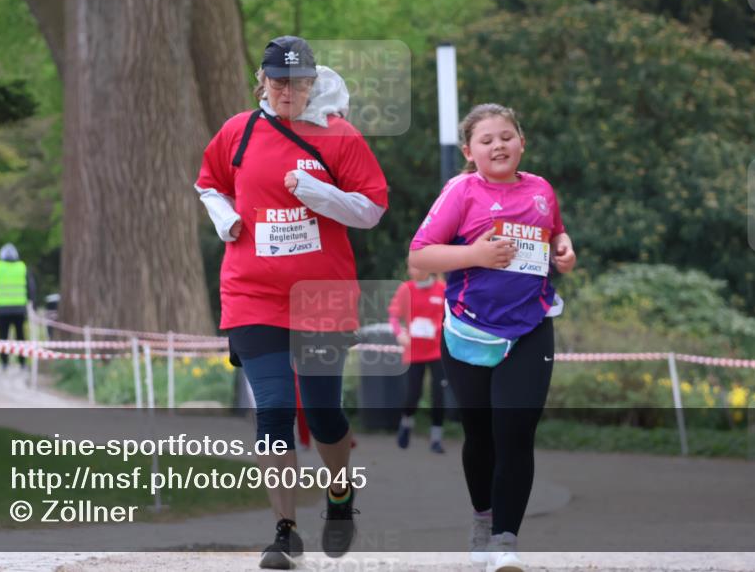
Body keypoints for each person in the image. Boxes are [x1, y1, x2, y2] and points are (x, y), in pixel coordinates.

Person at [195, 35, 388, 569]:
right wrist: (225, 219)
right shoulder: (239, 131)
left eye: (297, 82)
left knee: (323, 411)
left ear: (311, 82)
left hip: (322, 296)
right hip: (253, 293)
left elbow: (372, 209)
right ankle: (284, 533)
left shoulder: (340, 136)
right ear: (262, 81)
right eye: (277, 81)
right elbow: (208, 182)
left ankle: (340, 497)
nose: (286, 90)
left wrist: (319, 194)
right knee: (275, 411)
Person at [408, 103, 575, 571]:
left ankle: (505, 540)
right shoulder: (462, 191)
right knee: (481, 436)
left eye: (506, 136)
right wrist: (477, 255)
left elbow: (556, 235)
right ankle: (483, 519)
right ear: (469, 151)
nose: (498, 145)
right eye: (487, 140)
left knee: (515, 431)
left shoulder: (541, 189)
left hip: (531, 326)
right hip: (469, 330)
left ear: (522, 141)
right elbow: (420, 257)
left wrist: (564, 250)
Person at [388, 263, 447, 454]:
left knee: (439, 394)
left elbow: (452, 315)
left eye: (418, 267)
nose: (413, 271)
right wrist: (399, 333)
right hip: (414, 351)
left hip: (438, 350)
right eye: (411, 268)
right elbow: (394, 317)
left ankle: (436, 438)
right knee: (413, 393)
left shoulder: (442, 289)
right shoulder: (407, 289)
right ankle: (406, 424)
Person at [0, 243, 37, 371]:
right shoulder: (22, 267)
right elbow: (31, 287)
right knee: (20, 337)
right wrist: (32, 303)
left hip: (2, 309)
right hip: (19, 309)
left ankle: (4, 363)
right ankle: (22, 363)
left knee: (3, 337)